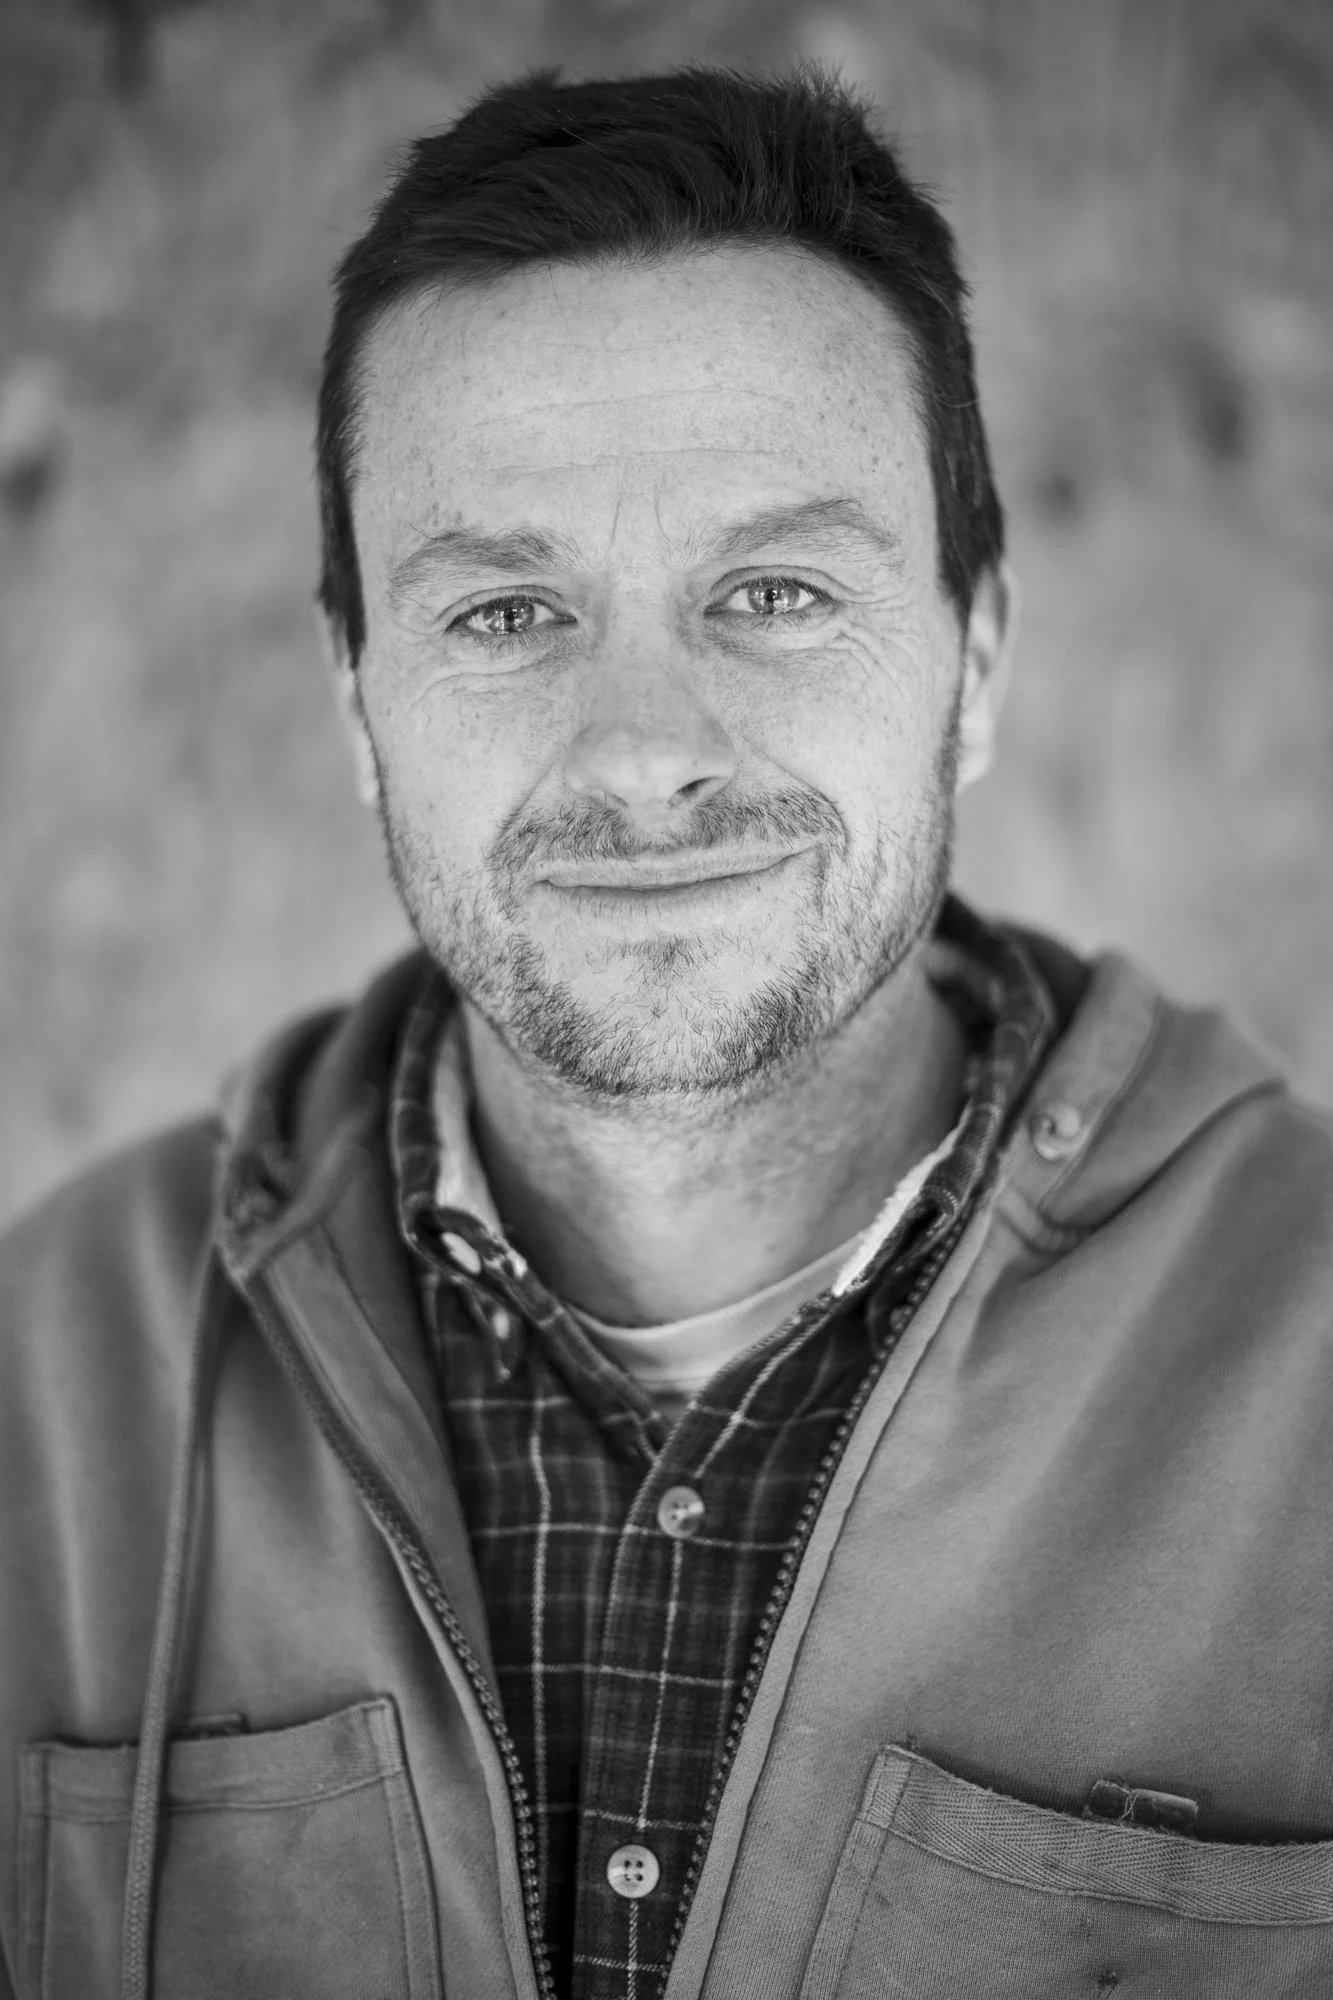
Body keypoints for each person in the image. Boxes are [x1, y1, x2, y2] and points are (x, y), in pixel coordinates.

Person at [3, 64, 1332, 2000]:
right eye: (504, 613)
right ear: (360, 705)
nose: (643, 752)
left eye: (774, 590)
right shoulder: (42, 1382)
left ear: (975, 658)